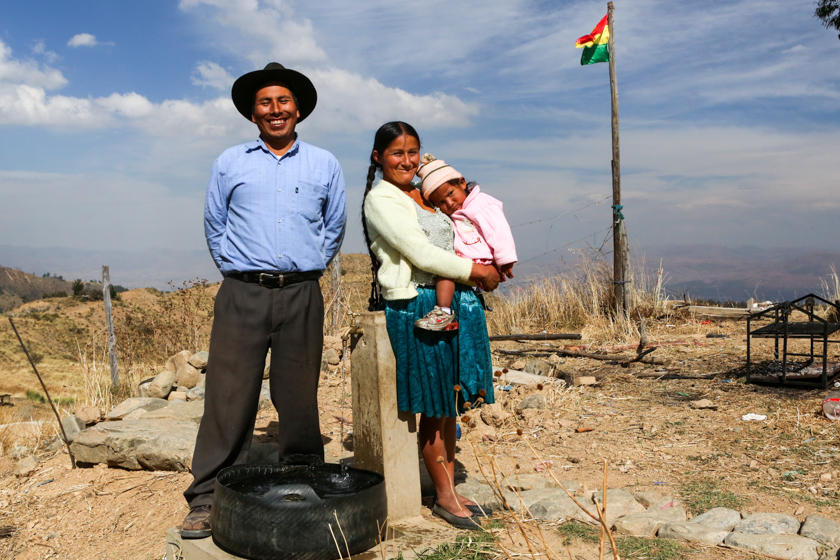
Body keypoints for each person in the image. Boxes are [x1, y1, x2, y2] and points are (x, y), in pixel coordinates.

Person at [180, 62, 347, 539]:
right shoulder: (230, 161)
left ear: (298, 109)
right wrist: (241, 271)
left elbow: (332, 229)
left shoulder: (324, 164)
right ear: (253, 113)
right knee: (228, 398)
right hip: (242, 293)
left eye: (283, 101)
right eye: (265, 103)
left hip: (301, 293)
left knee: (298, 396)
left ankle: (303, 484)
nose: (275, 110)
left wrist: (303, 267)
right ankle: (209, 496)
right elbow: (215, 225)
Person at [361, 121, 501, 530]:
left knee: (449, 404)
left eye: (412, 152)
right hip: (419, 305)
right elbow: (419, 253)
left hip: (449, 299)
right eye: (396, 153)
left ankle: (450, 489)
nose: (405, 161)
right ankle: (443, 497)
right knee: (434, 404)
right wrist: (474, 270)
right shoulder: (382, 200)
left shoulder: (422, 195)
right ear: (378, 158)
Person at [414, 154, 517, 331]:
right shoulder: (459, 210)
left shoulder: (481, 204)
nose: (450, 203)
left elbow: (499, 230)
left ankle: (444, 313)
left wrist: (505, 260)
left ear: (462, 183)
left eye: (451, 194)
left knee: (445, 272)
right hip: (467, 261)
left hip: (479, 261)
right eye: (441, 202)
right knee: (445, 271)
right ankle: (448, 315)